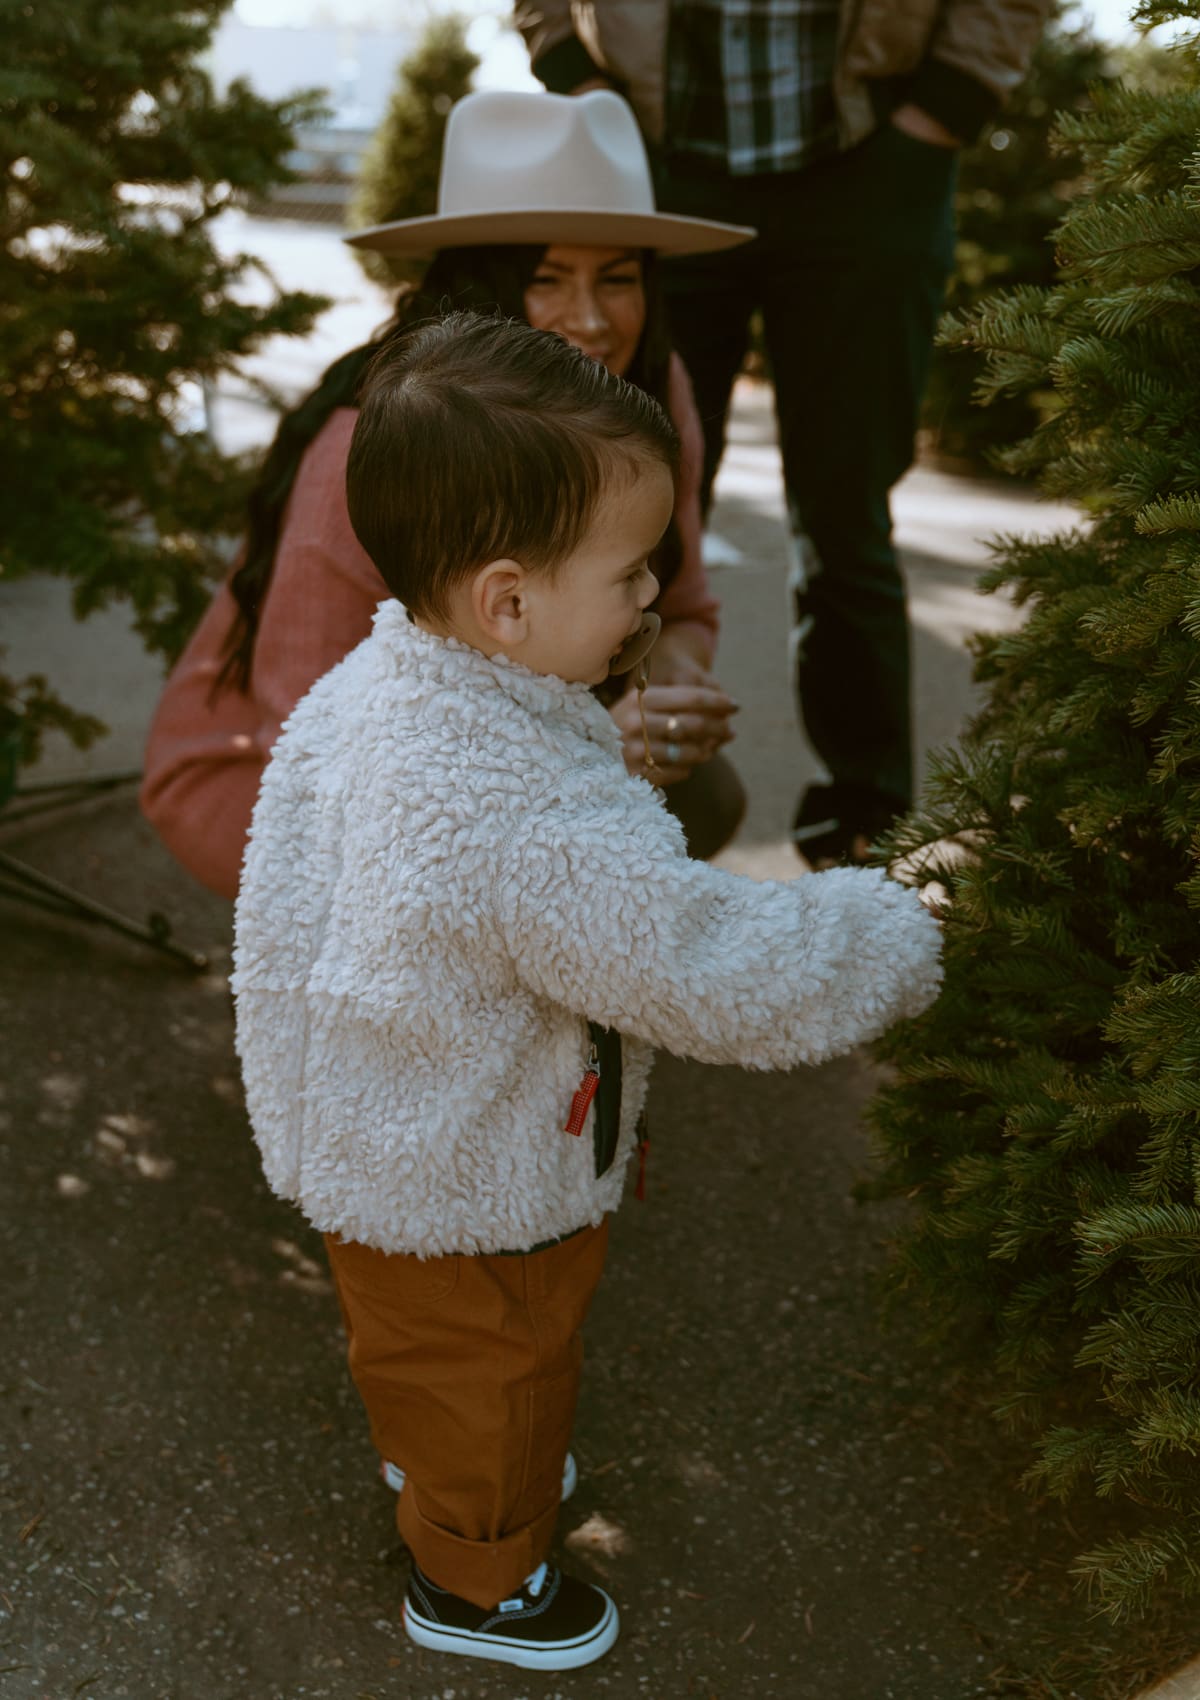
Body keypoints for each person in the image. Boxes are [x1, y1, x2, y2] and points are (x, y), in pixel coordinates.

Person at [232, 310, 943, 1671]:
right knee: (500, 1370)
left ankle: (445, 1476)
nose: (651, 599)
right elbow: (712, 970)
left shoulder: (394, 678)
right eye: (632, 574)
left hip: (383, 1129)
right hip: (466, 1170)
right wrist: (896, 930)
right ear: (507, 601)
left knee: (435, 1361)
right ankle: (481, 1581)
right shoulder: (538, 819)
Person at [140, 89, 757, 896]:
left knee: (702, 802)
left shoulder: (648, 386)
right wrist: (587, 752)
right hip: (288, 787)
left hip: (529, 746)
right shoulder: (370, 452)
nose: (592, 320)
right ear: (482, 290)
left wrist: (670, 680)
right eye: (547, 280)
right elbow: (318, 744)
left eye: (617, 279)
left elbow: (683, 606)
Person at [517, 0, 1053, 867]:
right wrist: (578, 79)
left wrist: (942, 112)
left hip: (872, 162)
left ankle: (864, 836)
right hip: (658, 159)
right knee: (618, 498)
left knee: (846, 519)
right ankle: (600, 811)